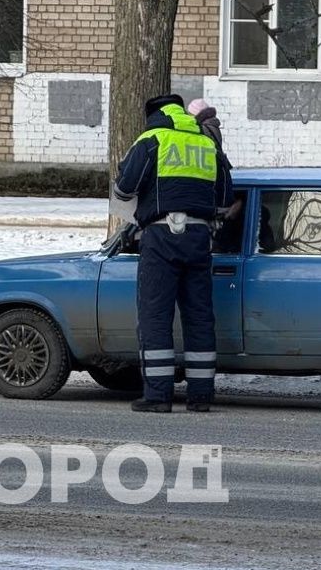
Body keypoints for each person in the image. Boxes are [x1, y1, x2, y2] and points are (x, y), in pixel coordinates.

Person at [113, 94, 232, 413]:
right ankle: (201, 396)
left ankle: (158, 396)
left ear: (154, 115)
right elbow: (224, 197)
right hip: (198, 237)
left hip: (160, 235)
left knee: (155, 314)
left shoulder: (152, 139)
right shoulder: (207, 144)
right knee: (199, 316)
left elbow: (125, 188)